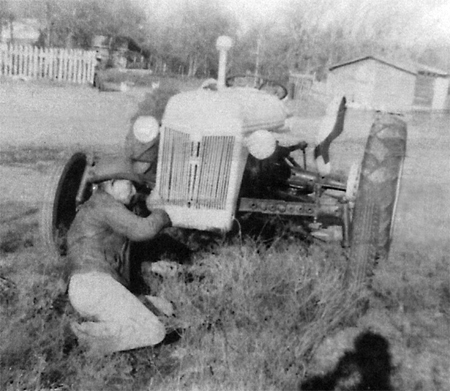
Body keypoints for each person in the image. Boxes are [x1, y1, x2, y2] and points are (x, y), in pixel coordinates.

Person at [66, 158, 172, 355]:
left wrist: (150, 267)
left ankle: (102, 329)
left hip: (90, 288)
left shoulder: (100, 208)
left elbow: (114, 257)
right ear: (112, 183)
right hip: (95, 285)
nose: (134, 191)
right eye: (129, 184)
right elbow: (144, 229)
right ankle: (87, 336)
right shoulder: (104, 204)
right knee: (154, 330)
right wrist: (162, 211)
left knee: (164, 308)